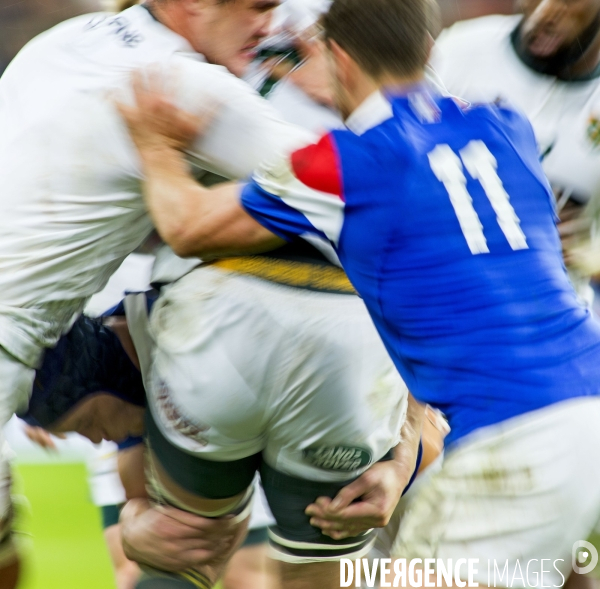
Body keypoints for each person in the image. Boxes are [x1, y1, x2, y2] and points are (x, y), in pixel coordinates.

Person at [116, 0, 600, 585]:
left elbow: (186, 225)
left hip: (510, 439)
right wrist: (400, 460)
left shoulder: (348, 163)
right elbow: (456, 296)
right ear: (429, 50)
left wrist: (155, 144)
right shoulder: (508, 127)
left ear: (337, 58)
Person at [0, 0, 309, 585]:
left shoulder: (67, 40)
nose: (270, 25)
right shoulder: (176, 85)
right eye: (258, 6)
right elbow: (369, 185)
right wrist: (352, 86)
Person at [431, 0, 600, 303]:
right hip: (443, 299)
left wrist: (585, 252)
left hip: (552, 314)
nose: (543, 13)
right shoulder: (460, 49)